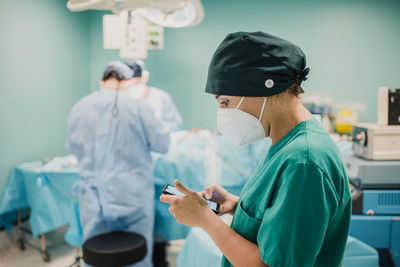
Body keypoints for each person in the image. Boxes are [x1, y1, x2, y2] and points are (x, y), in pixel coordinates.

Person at [160, 32, 351, 267]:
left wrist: (205, 219)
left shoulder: (305, 161)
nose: (224, 113)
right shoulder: (286, 144)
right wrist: (235, 205)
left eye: (225, 102)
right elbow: (281, 217)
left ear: (263, 88)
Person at [66, 61, 170, 267]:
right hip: (133, 196)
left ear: (103, 80)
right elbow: (162, 144)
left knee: (97, 254)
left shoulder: (79, 107)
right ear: (127, 81)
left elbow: (72, 148)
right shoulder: (139, 106)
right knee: (137, 255)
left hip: (93, 199)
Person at [125, 59, 183, 132]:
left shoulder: (161, 97)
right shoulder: (119, 100)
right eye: (130, 79)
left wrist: (156, 129)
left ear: (145, 76)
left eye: (137, 79)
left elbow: (175, 126)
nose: (134, 81)